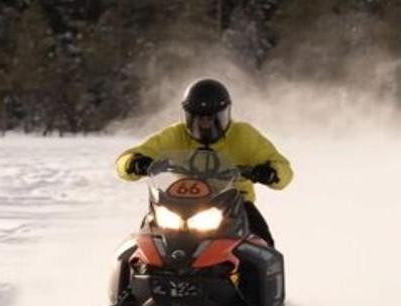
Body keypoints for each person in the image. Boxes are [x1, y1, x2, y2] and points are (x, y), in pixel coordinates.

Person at [115, 78, 293, 246]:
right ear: (188, 116)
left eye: (211, 118)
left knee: (263, 244)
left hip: (234, 205)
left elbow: (282, 168)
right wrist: (134, 163)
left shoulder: (244, 135)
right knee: (142, 244)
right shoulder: (175, 134)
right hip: (178, 203)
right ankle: (133, 275)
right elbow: (126, 159)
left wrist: (271, 173)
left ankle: (260, 278)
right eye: (198, 118)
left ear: (224, 115)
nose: (205, 124)